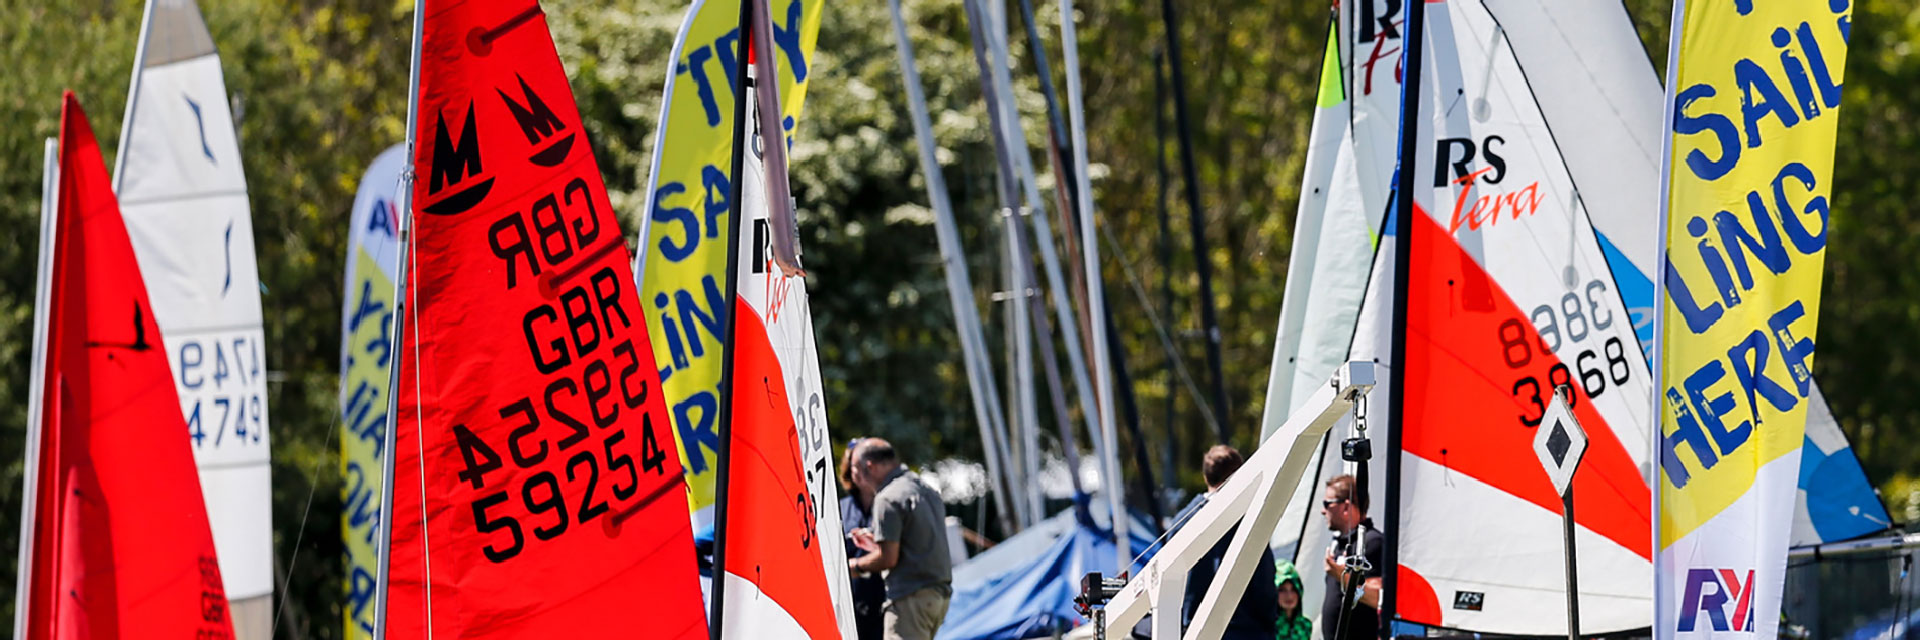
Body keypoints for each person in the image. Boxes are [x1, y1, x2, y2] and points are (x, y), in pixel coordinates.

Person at [846, 439, 952, 640]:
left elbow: (888, 559)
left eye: (856, 468)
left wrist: (856, 566)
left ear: (870, 466)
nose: (855, 476)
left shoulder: (887, 498)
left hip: (910, 598)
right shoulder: (924, 489)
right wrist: (877, 543)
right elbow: (916, 543)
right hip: (938, 596)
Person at [1170, 445, 1278, 640]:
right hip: (1246, 632)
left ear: (1205, 477)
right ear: (1239, 476)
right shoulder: (1248, 520)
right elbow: (1263, 582)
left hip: (1192, 632)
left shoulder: (1180, 522)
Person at [1319, 474, 1383, 640]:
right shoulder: (1344, 543)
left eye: (1327, 504)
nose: (1323, 511)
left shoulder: (1372, 542)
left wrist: (1343, 577)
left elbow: (1379, 598)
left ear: (1345, 508)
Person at [840, 440, 886, 640]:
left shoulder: (892, 504)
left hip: (888, 603)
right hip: (851, 607)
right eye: (855, 465)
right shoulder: (839, 509)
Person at [1275, 561, 1313, 640]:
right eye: (1282, 590)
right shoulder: (1267, 626)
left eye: (1293, 589)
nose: (1289, 596)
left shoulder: (1305, 625)